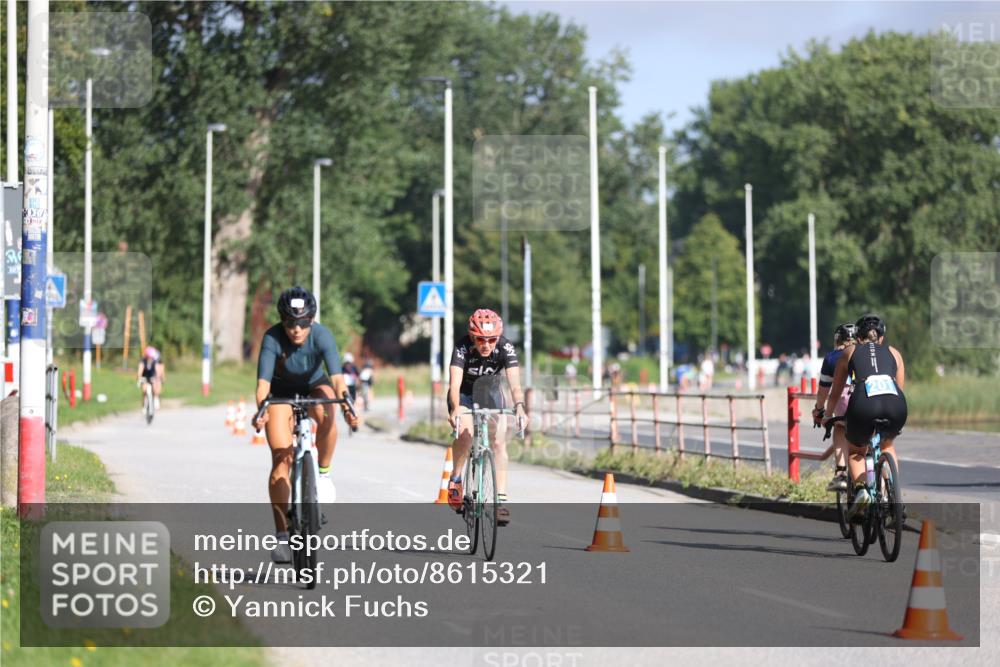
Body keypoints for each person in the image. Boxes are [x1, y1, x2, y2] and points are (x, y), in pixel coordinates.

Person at [252, 286, 360, 563]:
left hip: (314, 384)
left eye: (302, 323)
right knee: (280, 458)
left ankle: (323, 474)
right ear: (282, 321)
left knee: (327, 411)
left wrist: (347, 402)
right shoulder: (272, 338)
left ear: (312, 319)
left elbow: (336, 379)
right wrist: (261, 409)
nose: (296, 329)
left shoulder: (322, 335)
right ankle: (282, 537)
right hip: (281, 392)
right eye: (290, 322)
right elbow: (263, 384)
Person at [446, 309, 526, 526]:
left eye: (491, 340)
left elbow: (515, 385)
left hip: (490, 393)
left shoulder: (505, 347)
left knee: (499, 442)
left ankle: (500, 501)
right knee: (466, 433)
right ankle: (455, 479)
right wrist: (455, 409)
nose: (486, 344)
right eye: (481, 339)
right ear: (472, 336)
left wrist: (519, 407)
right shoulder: (462, 347)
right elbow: (454, 384)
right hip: (464, 394)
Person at [823, 314, 907, 518]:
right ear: (882, 338)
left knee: (856, 451)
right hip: (895, 404)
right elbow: (900, 387)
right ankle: (894, 497)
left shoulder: (850, 351)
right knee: (887, 445)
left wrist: (826, 415)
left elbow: (836, 391)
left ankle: (861, 489)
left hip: (863, 405)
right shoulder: (894, 353)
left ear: (858, 338)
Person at [812, 323, 856, 492]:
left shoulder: (832, 357)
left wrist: (819, 410)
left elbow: (823, 390)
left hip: (845, 405)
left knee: (839, 427)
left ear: (838, 339)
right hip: (870, 400)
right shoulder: (864, 353)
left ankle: (841, 472)